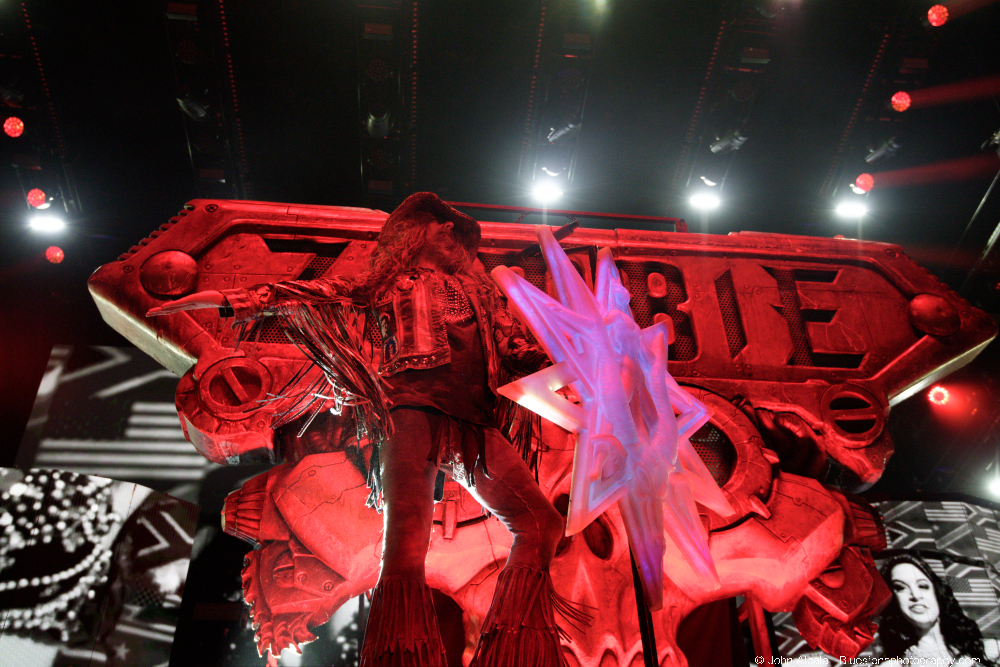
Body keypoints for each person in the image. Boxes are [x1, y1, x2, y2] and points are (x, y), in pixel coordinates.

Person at [149, 192, 580, 666]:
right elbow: (306, 295)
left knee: (541, 523)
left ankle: (516, 645)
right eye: (443, 226)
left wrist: (576, 375)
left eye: (455, 229)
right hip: (410, 417)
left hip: (473, 421)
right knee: (406, 547)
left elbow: (516, 348)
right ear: (419, 232)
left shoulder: (479, 293)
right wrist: (231, 302)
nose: (453, 235)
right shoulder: (387, 285)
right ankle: (398, 656)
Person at [877, 553, 993, 667]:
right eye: (900, 588)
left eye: (923, 586)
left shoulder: (986, 650)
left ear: (937, 594)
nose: (916, 596)